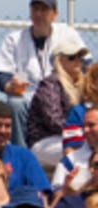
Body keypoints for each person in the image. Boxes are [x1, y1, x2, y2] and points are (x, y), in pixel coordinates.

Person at [0, 0, 76, 147]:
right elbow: (2, 76)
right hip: (28, 97)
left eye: (44, 9)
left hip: (59, 97)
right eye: (35, 8)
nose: (39, 14)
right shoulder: (15, 39)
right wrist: (10, 86)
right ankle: (22, 155)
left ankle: (76, 147)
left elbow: (85, 63)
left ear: (55, 14)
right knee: (15, 104)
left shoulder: (66, 33)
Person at [27, 28, 88, 170]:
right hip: (45, 141)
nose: (78, 61)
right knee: (82, 150)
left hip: (73, 136)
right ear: (59, 60)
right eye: (72, 57)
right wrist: (85, 131)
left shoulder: (81, 84)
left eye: (80, 57)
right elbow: (54, 120)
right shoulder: (49, 84)